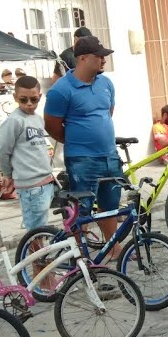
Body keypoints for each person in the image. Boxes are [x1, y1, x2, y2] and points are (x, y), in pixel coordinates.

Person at [44, 35, 120, 242]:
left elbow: (108, 113)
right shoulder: (61, 90)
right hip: (82, 159)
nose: (104, 60)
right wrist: (79, 141)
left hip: (110, 155)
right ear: (83, 58)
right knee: (82, 208)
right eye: (99, 56)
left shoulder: (106, 83)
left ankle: (112, 247)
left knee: (110, 204)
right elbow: (52, 126)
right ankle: (80, 252)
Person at [0, 76, 56, 231]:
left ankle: (38, 246)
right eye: (24, 100)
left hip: (45, 181)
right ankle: (36, 248)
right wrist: (8, 174)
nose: (29, 104)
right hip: (29, 185)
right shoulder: (14, 120)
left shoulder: (38, 119)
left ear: (40, 97)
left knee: (41, 226)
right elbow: (1, 151)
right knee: (36, 230)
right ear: (15, 97)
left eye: (34, 100)